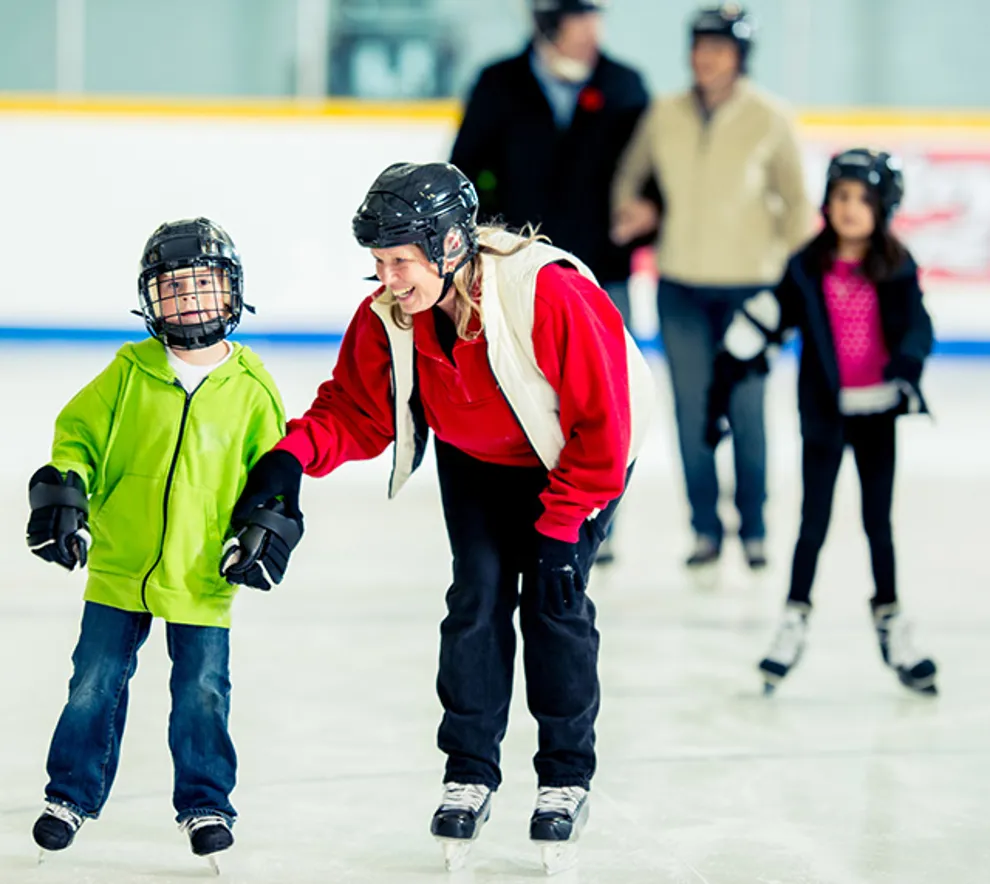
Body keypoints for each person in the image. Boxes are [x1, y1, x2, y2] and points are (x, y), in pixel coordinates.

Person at [222, 162, 654, 873]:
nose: (389, 279)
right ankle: (470, 770)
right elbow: (355, 412)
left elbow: (604, 428)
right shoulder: (390, 315)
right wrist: (288, 460)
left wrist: (561, 528)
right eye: (378, 264)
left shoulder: (547, 293)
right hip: (479, 460)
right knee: (476, 599)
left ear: (451, 245)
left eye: (400, 261)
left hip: (573, 459)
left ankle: (565, 777)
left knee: (553, 606)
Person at [25, 219, 286, 870]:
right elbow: (76, 439)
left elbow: (274, 472)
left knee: (202, 689)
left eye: (204, 284)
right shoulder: (128, 372)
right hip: (120, 562)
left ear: (231, 293)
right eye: (174, 288)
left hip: (202, 573)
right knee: (93, 681)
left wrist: (265, 525)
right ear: (151, 300)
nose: (191, 300)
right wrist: (66, 491)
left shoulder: (252, 389)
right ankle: (70, 796)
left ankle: (206, 803)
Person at [708, 149, 938, 695]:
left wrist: (908, 362)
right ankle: (793, 617)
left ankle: (890, 618)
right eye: (840, 196)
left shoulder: (899, 267)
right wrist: (731, 365)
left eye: (863, 198)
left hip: (878, 410)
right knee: (812, 523)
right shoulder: (806, 266)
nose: (850, 209)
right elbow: (771, 314)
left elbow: (917, 326)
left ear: (885, 206)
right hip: (825, 415)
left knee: (878, 525)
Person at [450, 0, 657, 566]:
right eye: (579, 18)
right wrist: (487, 248)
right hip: (514, 278)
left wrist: (648, 213)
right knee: (522, 393)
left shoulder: (625, 86)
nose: (594, 30)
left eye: (597, 16)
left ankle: (595, 517)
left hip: (600, 277)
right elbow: (465, 173)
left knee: (605, 399)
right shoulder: (499, 84)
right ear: (548, 24)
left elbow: (652, 174)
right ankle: (531, 512)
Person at [611, 4, 812, 572]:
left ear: (740, 57)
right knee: (693, 412)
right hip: (680, 287)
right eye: (700, 46)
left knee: (746, 410)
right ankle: (704, 529)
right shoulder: (665, 113)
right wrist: (634, 209)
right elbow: (631, 175)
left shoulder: (770, 117)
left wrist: (793, 285)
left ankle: (754, 527)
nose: (707, 57)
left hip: (752, 290)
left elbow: (798, 206)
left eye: (720, 48)